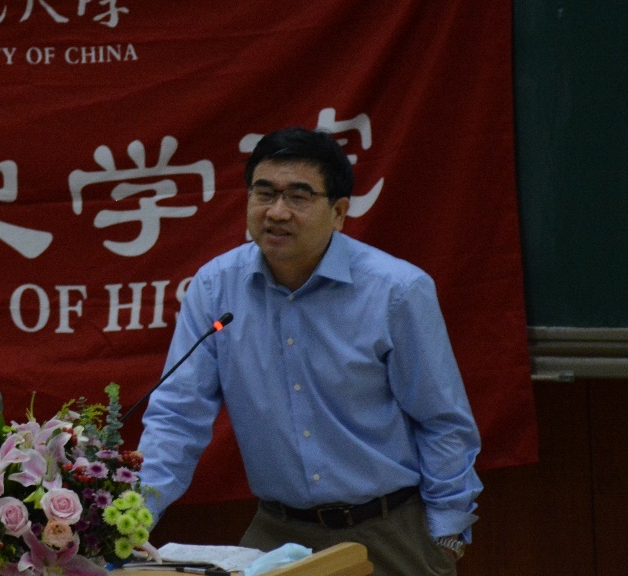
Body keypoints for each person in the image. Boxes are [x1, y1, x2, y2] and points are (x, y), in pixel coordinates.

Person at [137, 127, 481, 576]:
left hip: (388, 528)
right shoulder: (215, 287)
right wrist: (130, 519)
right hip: (277, 531)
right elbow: (178, 416)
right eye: (264, 193)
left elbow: (441, 421)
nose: (276, 212)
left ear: (338, 212)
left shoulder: (395, 291)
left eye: (298, 197)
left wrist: (446, 535)